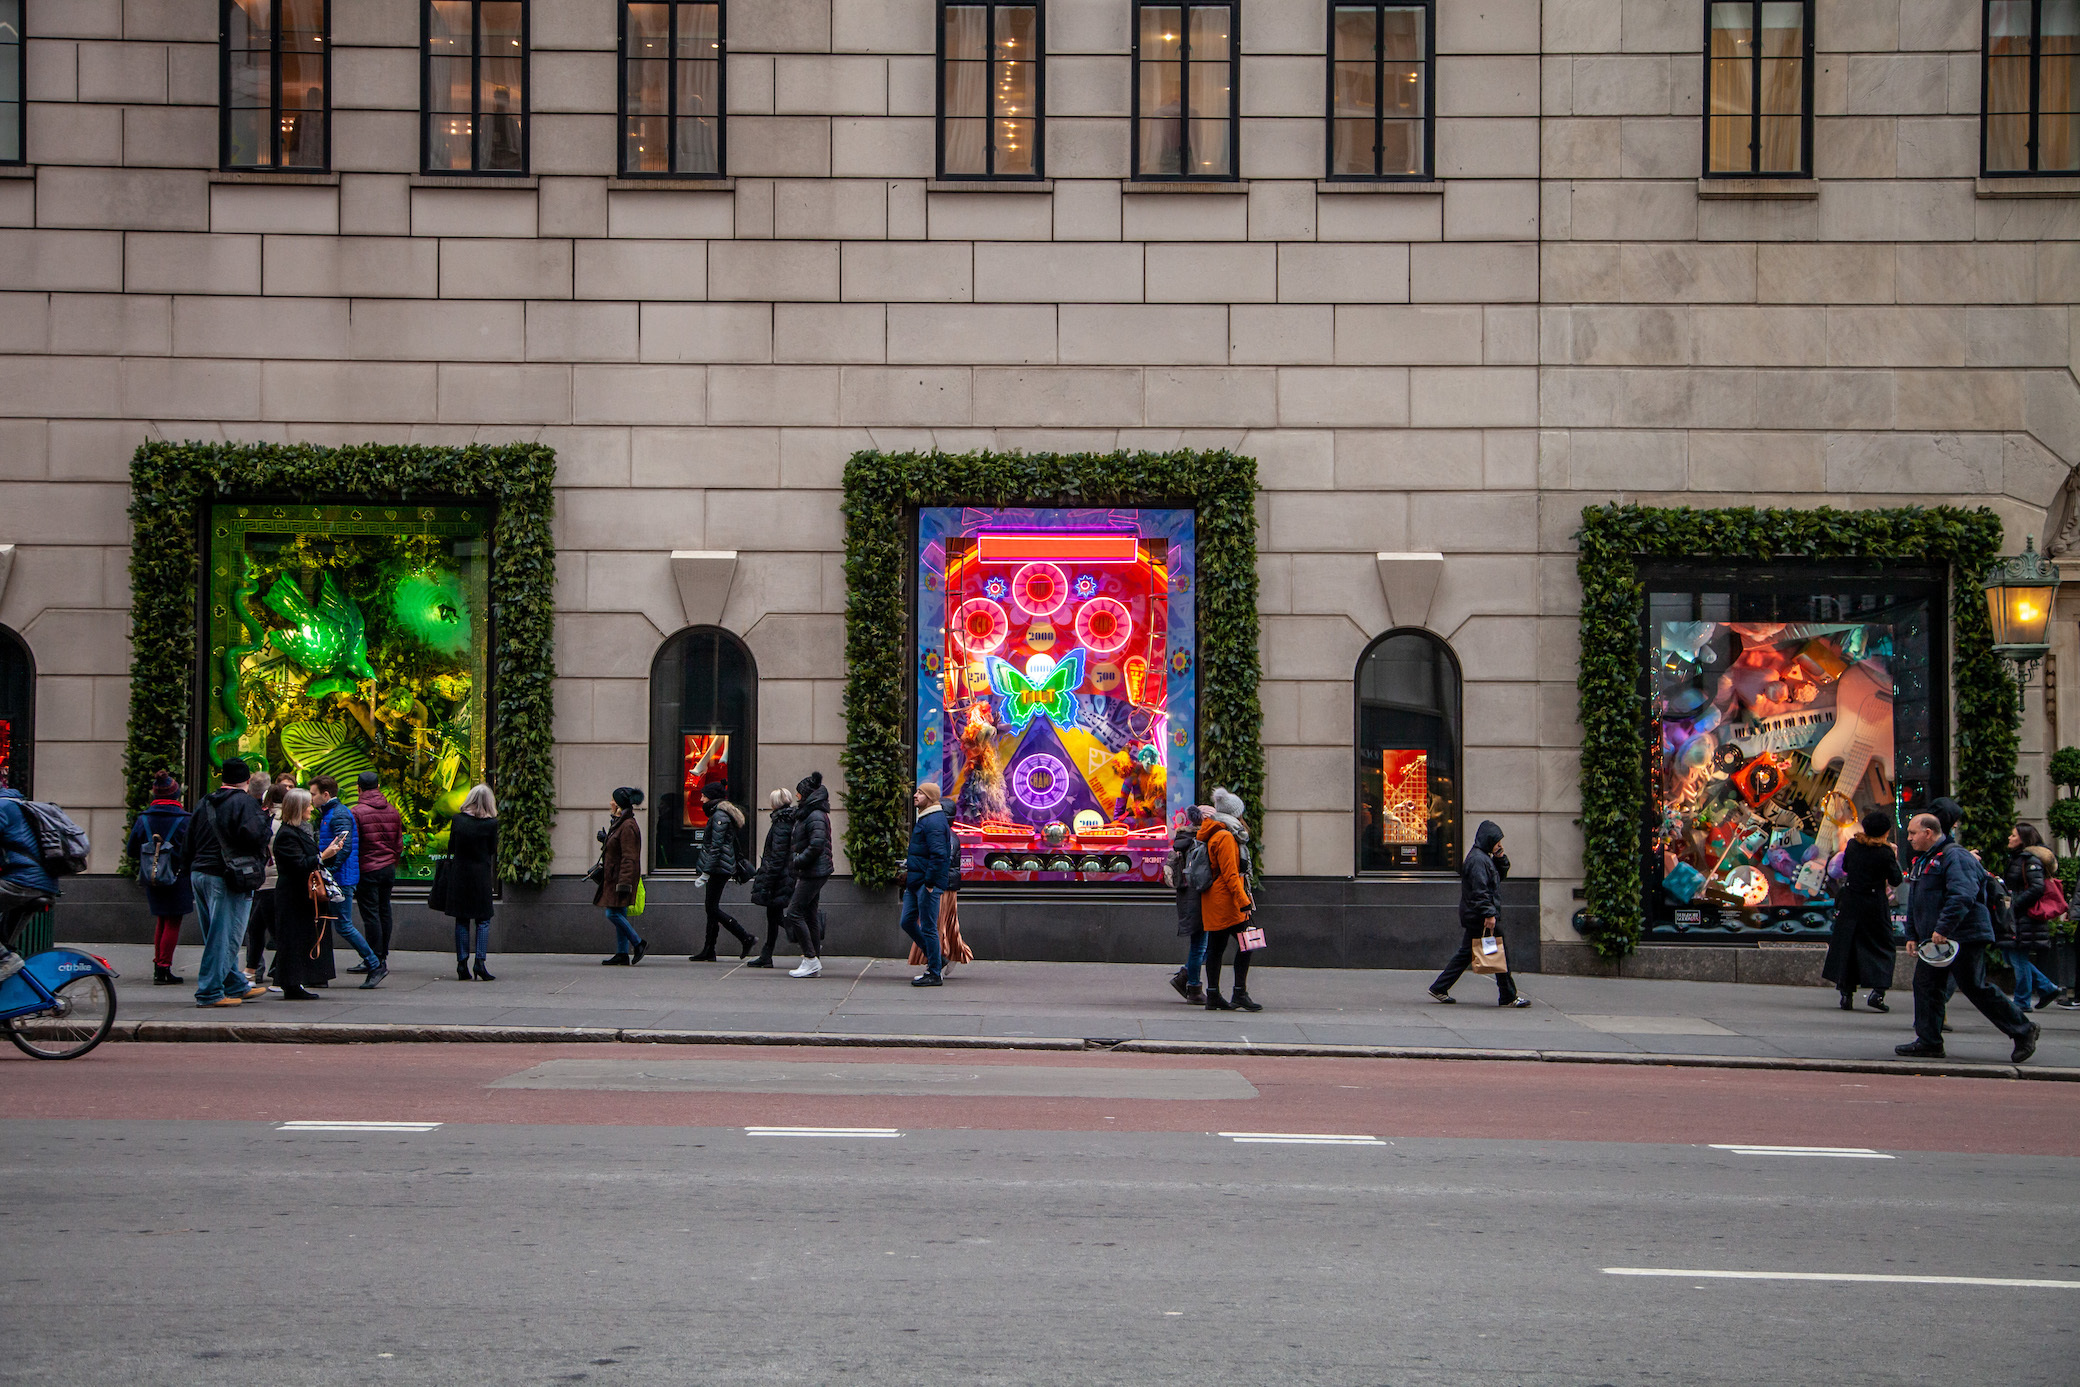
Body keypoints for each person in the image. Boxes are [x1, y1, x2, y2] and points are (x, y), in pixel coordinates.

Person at [1895, 811, 2038, 1063]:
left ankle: (2024, 1030)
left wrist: (1943, 928)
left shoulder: (1954, 856)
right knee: (1926, 985)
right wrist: (1913, 934)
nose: (1909, 838)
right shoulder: (1926, 859)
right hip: (1939, 938)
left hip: (1963, 935)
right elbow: (1918, 899)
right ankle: (1929, 1041)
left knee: (1975, 986)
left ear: (1928, 833)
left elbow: (1962, 895)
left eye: (1912, 833)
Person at [178, 758, 272, 1009]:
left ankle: (235, 984)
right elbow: (255, 837)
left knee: (216, 934)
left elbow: (188, 840)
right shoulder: (245, 803)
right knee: (226, 937)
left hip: (200, 873)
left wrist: (187, 871)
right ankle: (209, 991)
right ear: (248, 780)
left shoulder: (205, 802)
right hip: (227, 876)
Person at [1429, 819, 1530, 1008]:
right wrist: (1489, 914)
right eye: (1497, 841)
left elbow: (1499, 876)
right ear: (1488, 839)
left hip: (1476, 914)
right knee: (1499, 953)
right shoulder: (1478, 860)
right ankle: (1508, 996)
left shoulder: (1484, 857)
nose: (1499, 844)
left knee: (1467, 953)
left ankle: (1439, 987)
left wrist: (1500, 857)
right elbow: (1480, 890)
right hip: (1480, 916)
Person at [269, 788, 345, 1000]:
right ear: (298, 808)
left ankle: (297, 981)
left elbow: (311, 860)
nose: (312, 808)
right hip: (293, 895)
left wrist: (329, 854)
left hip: (302, 894)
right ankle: (291, 983)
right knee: (293, 938)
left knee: (303, 937)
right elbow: (298, 864)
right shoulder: (287, 835)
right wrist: (323, 855)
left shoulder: (300, 831)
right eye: (308, 805)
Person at [1823, 810, 1902, 1012]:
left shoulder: (1853, 845)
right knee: (1883, 946)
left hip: (1851, 900)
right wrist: (1893, 857)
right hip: (1874, 903)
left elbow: (1847, 867)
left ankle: (1846, 992)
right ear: (1885, 832)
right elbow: (1896, 879)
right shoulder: (1885, 853)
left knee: (1848, 944)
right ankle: (1878, 991)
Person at [311, 776, 384, 987]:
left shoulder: (338, 814)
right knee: (331, 923)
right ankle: (321, 972)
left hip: (341, 878)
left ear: (326, 795)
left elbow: (344, 846)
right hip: (339, 876)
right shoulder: (331, 813)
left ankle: (374, 963)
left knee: (343, 925)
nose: (311, 798)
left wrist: (329, 870)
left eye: (314, 794)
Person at [126, 771, 193, 986]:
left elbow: (131, 849)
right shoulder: (185, 820)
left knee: (162, 920)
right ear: (176, 794)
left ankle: (159, 965)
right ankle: (164, 967)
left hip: (152, 874)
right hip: (178, 875)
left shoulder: (143, 818)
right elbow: (192, 850)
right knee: (173, 921)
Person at [1199, 787, 1260, 1012]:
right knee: (1247, 943)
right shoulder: (1225, 836)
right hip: (1226, 901)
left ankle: (1214, 995)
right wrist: (1243, 900)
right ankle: (1239, 993)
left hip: (1218, 900)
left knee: (1217, 946)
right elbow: (1230, 874)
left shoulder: (1221, 831)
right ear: (1235, 813)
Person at [0, 775, 58, 985]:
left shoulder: (2, 806)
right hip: (37, 882)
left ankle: (5, 960)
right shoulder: (14, 803)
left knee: (4, 957)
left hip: (24, 881)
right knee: (4, 941)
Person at [2002, 821, 2065, 1011]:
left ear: (2023, 838)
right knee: (2011, 954)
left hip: (2025, 917)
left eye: (2013, 835)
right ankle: (2047, 988)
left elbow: (2037, 887)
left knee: (2018, 957)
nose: (2009, 838)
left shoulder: (2030, 860)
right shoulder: (2020, 858)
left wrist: (2016, 906)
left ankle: (2022, 1000)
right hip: (2019, 915)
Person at [690, 783, 756, 962]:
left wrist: (706, 872)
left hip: (719, 868)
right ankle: (709, 949)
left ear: (711, 797)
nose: (701, 799)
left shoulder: (719, 815)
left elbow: (716, 846)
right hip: (719, 867)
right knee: (711, 908)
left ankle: (745, 937)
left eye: (704, 796)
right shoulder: (719, 813)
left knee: (711, 908)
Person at [443, 784, 500, 981]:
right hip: (481, 876)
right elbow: (492, 849)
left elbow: (451, 845)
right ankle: (480, 962)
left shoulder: (458, 820)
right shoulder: (491, 824)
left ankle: (461, 963)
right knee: (483, 919)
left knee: (462, 919)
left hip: (460, 874)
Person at [900, 780, 952, 986]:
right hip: (916, 882)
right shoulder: (925, 819)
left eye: (920, 793)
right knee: (906, 922)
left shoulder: (934, 822)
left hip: (925, 883)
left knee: (929, 927)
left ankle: (934, 972)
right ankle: (937, 959)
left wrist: (929, 882)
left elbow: (939, 855)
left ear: (929, 798)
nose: (915, 795)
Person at [351, 770, 404, 967]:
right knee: (384, 909)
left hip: (367, 868)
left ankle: (373, 957)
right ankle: (382, 955)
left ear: (358, 788)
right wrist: (392, 861)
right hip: (388, 867)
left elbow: (354, 845)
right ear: (378, 787)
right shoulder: (392, 810)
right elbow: (398, 843)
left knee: (371, 914)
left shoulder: (357, 812)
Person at [784, 771, 833, 979]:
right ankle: (814, 959)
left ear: (806, 794)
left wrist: (798, 860)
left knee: (794, 912)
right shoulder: (813, 813)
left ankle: (810, 959)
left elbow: (816, 845)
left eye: (798, 793)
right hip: (814, 870)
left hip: (813, 871)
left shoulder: (814, 815)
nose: (796, 797)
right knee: (810, 914)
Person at [746, 788, 797, 969]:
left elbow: (777, 856)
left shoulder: (781, 823)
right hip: (782, 875)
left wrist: (767, 882)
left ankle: (807, 938)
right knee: (773, 915)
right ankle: (766, 955)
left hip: (779, 877)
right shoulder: (785, 820)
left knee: (775, 916)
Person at [924, 792, 974, 976]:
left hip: (942, 885)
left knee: (938, 924)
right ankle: (951, 954)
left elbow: (941, 862)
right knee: (946, 924)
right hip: (944, 884)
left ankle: (938, 960)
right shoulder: (945, 835)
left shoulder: (946, 837)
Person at [596, 786, 645, 965]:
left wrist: (624, 883)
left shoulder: (628, 826)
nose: (610, 802)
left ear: (619, 805)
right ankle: (622, 953)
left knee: (612, 914)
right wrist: (605, 839)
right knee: (620, 913)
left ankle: (638, 943)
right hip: (615, 876)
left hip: (620, 878)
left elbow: (629, 857)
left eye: (613, 800)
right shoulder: (620, 823)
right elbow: (617, 849)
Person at [245, 780, 287, 984]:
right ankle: (257, 970)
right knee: (263, 927)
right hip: (274, 881)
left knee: (261, 929)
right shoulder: (285, 821)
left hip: (268, 881)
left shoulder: (267, 822)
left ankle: (269, 972)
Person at [1167, 805, 1208, 1004]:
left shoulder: (1183, 840)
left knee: (1202, 943)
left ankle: (1187, 976)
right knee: (1201, 944)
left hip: (1186, 896)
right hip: (1199, 896)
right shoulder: (1199, 843)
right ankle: (1192, 985)